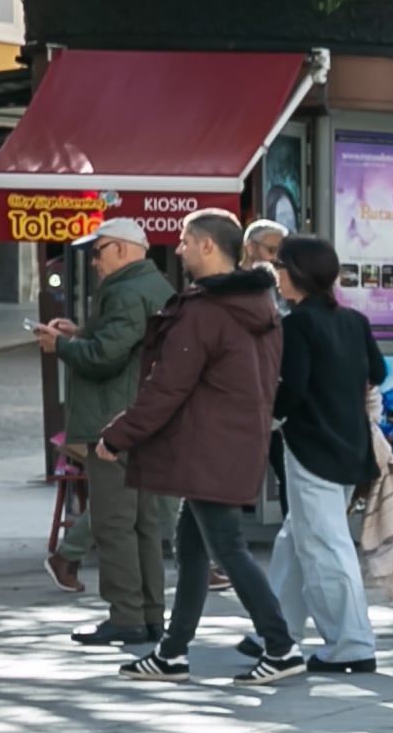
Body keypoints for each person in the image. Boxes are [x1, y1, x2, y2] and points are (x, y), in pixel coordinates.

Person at [98, 211, 297, 685]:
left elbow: (166, 387)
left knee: (226, 548)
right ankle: (172, 652)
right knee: (190, 547)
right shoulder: (260, 305)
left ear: (208, 247)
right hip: (232, 443)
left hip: (208, 447)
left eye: (186, 241)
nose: (180, 250)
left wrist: (117, 435)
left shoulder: (205, 311)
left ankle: (281, 646)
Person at [39, 220, 179, 654]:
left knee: (115, 522)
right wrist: (79, 334)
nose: (95, 261)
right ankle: (151, 615)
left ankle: (126, 618)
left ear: (121, 250)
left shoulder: (123, 290)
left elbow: (104, 357)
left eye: (99, 252)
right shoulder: (155, 286)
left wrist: (59, 347)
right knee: (143, 523)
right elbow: (125, 344)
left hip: (113, 423)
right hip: (142, 421)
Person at [265, 235, 383, 675]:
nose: (275, 275)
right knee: (297, 539)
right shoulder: (353, 320)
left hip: (310, 448)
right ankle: (274, 629)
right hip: (350, 445)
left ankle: (351, 643)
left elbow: (290, 392)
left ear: (297, 273)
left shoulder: (297, 325)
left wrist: (266, 416)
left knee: (324, 546)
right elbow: (379, 371)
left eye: (280, 266)